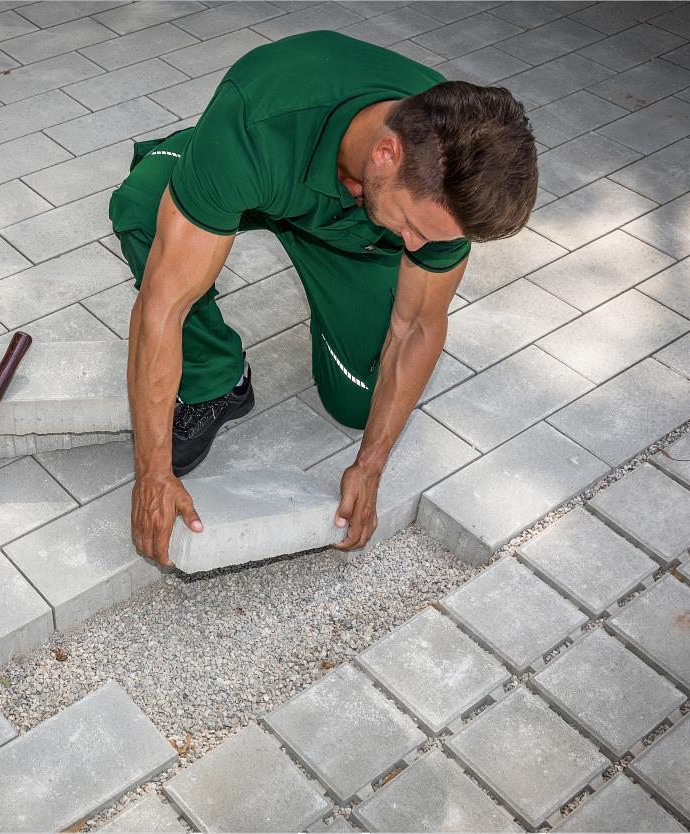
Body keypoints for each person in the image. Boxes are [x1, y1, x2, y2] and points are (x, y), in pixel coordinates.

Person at [109, 30, 538, 566]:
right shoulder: (257, 118)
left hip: (353, 235)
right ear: (386, 154)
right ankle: (216, 377)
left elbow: (419, 326)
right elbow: (162, 305)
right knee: (146, 211)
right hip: (263, 169)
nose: (418, 248)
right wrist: (153, 473)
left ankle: (330, 305)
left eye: (433, 239)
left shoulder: (449, 173)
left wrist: (371, 464)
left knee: (360, 401)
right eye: (414, 225)